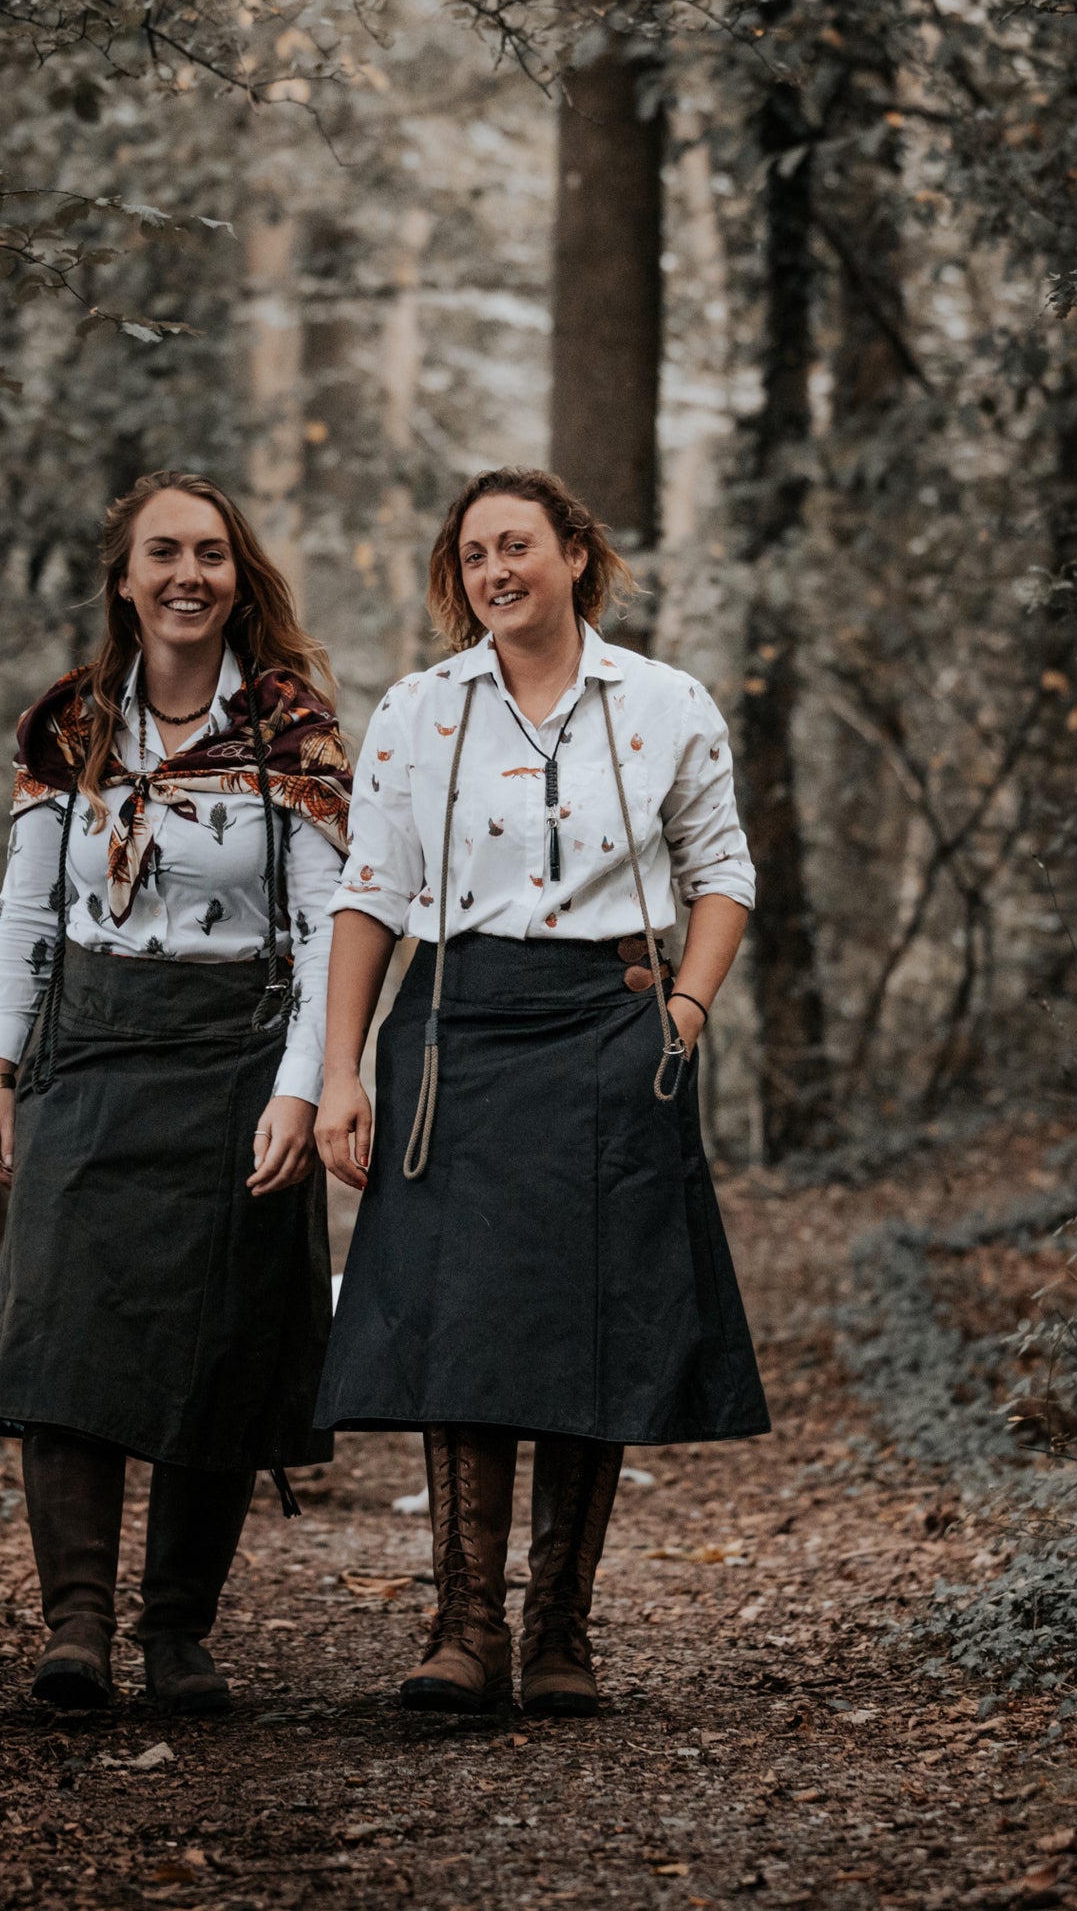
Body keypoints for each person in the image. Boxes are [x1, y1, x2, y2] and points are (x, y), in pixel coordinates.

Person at [313, 466, 768, 1716]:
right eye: (471, 556)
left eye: (514, 546)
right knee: (459, 1320)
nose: (492, 572)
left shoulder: (666, 701)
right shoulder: (420, 709)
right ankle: (464, 1630)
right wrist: (341, 1070)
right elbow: (367, 895)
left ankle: (560, 1630)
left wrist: (680, 1013)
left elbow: (721, 871)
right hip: (457, 1031)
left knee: (595, 1319)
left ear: (574, 552)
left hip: (612, 1030)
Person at [0, 470, 352, 1714]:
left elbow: (326, 925)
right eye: (162, 553)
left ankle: (175, 1633)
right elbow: (28, 907)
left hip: (238, 1055)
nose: (188, 574)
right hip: (88, 1048)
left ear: (238, 576)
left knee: (221, 1343)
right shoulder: (69, 723)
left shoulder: (290, 728)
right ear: (123, 578)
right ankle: (72, 1629)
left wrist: (302, 1088)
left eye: (211, 553)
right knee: (65, 1325)